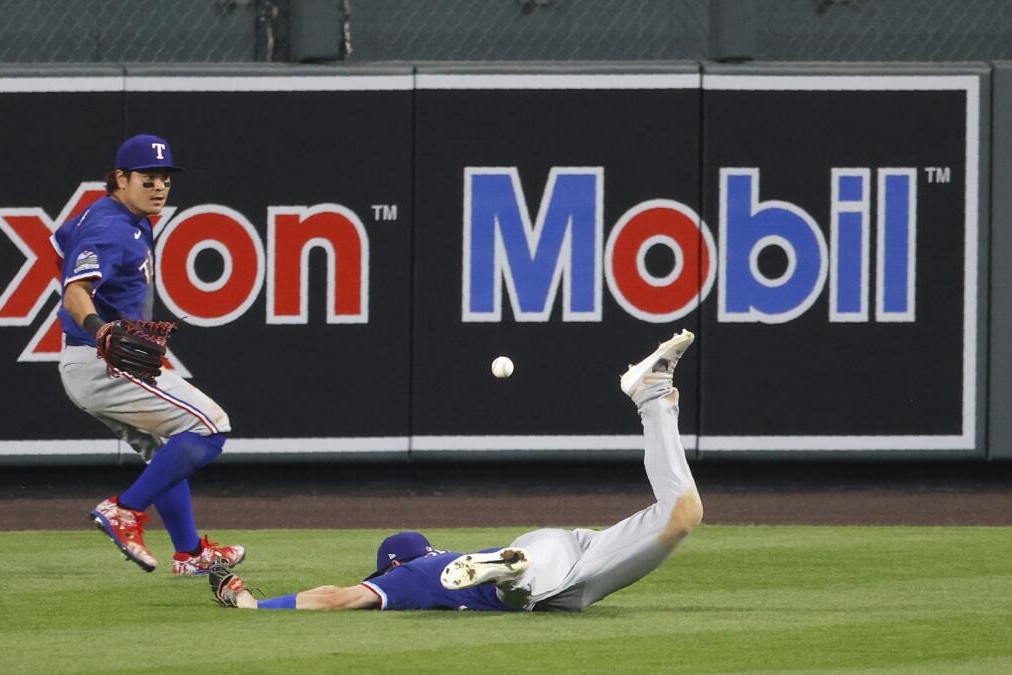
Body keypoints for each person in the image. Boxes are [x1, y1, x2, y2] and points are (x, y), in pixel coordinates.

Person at [209, 330, 702, 610]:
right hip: (558, 540)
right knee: (680, 513)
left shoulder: (414, 575)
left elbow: (335, 597)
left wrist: (252, 604)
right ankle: (653, 394)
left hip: (545, 571)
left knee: (679, 517)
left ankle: (510, 575)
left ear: (390, 566)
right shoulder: (440, 556)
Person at [53, 134, 244, 575]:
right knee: (211, 426)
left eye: (164, 178)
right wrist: (101, 329)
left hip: (93, 364)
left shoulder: (122, 216)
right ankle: (125, 510)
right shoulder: (110, 227)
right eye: (147, 178)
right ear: (120, 178)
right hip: (101, 362)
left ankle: (190, 553)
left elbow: (59, 243)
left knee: (165, 450)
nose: (158, 186)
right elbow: (75, 293)